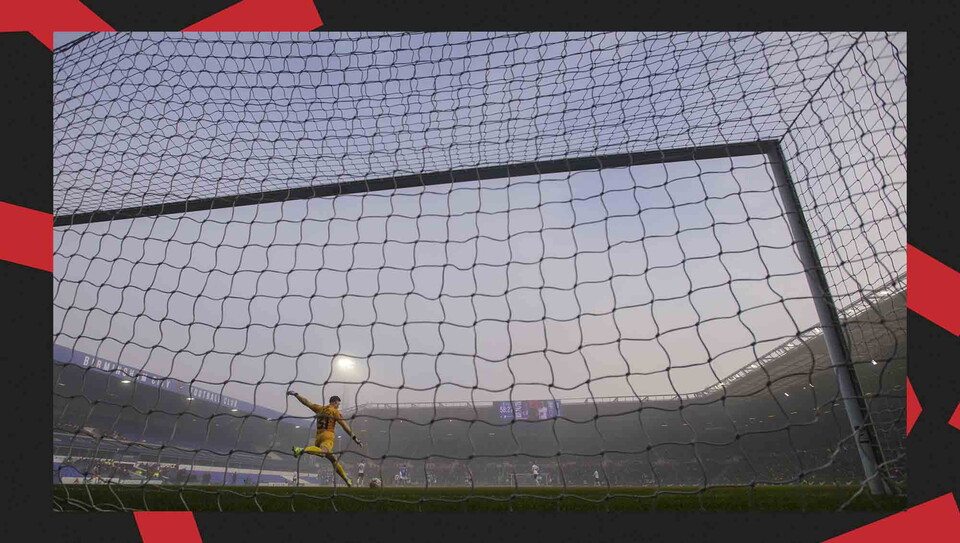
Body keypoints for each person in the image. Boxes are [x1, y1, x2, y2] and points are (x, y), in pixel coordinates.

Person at [288, 392, 362, 487]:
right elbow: (344, 425)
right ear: (334, 402)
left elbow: (306, 402)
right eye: (338, 404)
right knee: (323, 452)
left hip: (318, 437)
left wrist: (296, 395)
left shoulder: (320, 408)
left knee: (333, 458)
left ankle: (346, 480)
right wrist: (354, 438)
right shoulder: (335, 412)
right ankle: (302, 450)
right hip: (328, 436)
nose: (338, 406)